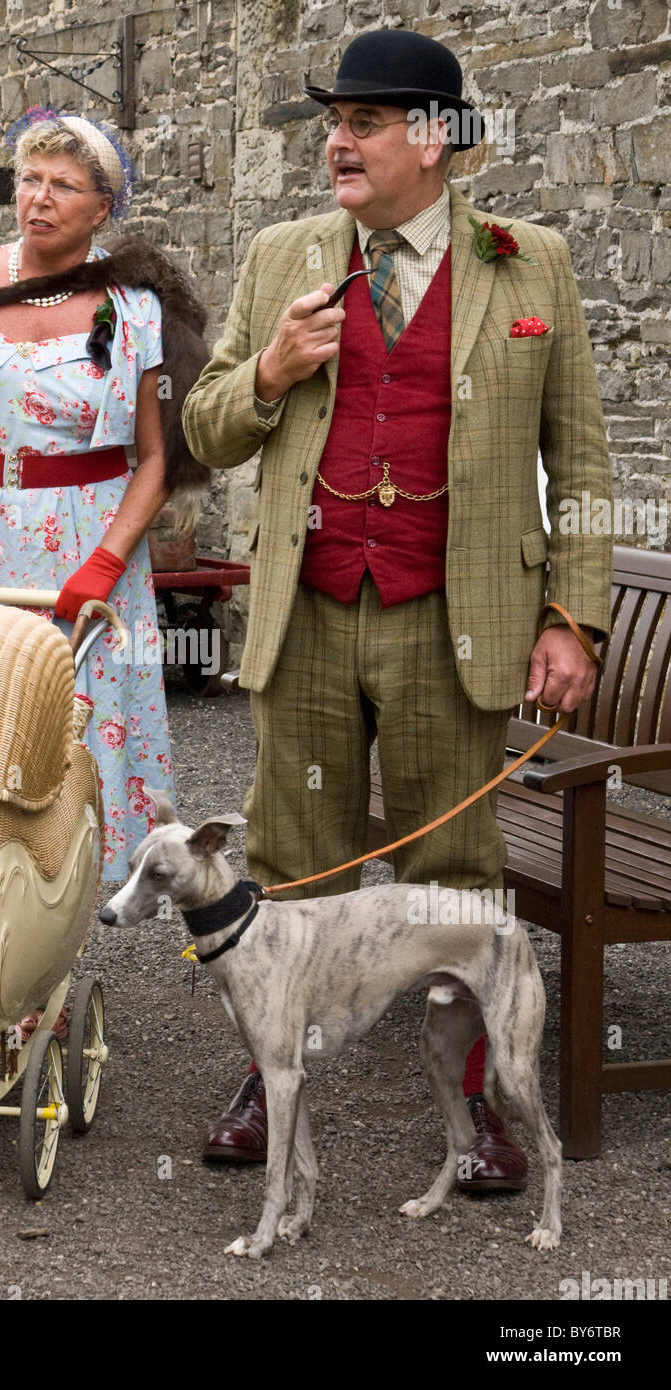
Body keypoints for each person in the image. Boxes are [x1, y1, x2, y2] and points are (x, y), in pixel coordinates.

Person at [182, 30, 612, 1185]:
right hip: (308, 608)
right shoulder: (283, 256)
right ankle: (269, 1089)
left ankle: (473, 1110)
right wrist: (268, 372)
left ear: (434, 139)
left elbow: (579, 464)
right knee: (291, 867)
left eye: (365, 122)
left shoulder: (531, 264)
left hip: (451, 617)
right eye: (334, 121)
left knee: (453, 878)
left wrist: (571, 617)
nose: (337, 141)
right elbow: (205, 427)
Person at [0, 109, 179, 892]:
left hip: (84, 545)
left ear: (102, 205)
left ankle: (50, 924)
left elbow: (155, 457)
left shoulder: (136, 305)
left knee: (68, 741)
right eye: (30, 180)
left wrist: (105, 565)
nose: (39, 198)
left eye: (63, 185)